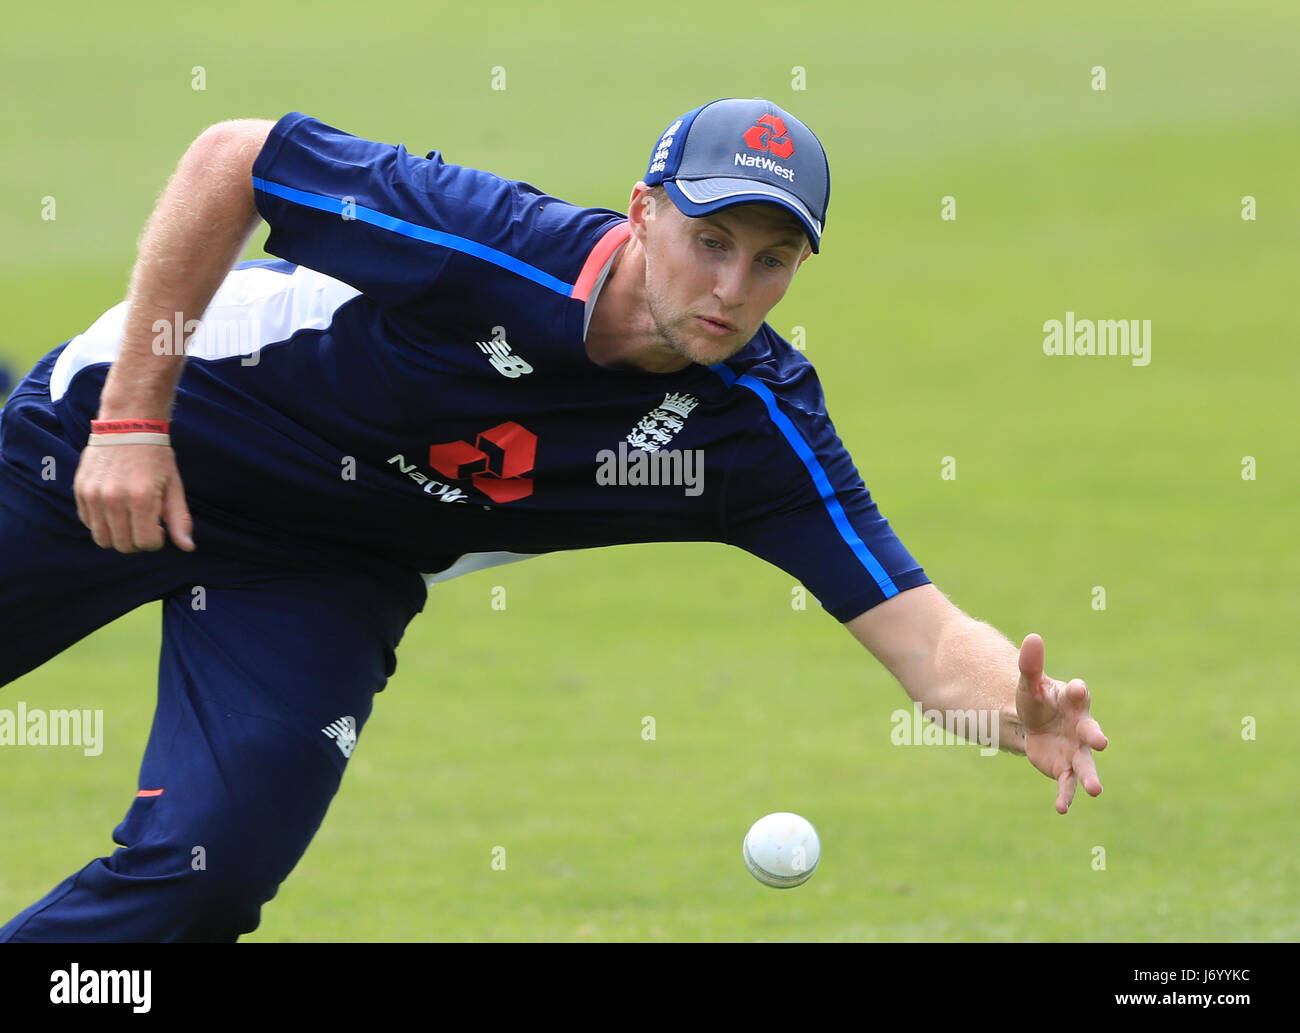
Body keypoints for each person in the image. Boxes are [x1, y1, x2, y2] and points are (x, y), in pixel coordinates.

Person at [0, 98, 1107, 942]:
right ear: (642, 214)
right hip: (143, 439)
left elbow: (920, 633)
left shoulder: (755, 428)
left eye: (772, 261)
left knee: (210, 870)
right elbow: (234, 160)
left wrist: (1011, 707)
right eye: (709, 241)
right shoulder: (493, 244)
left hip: (325, 568)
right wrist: (134, 419)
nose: (732, 286)